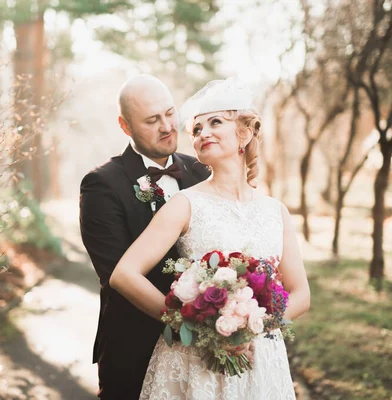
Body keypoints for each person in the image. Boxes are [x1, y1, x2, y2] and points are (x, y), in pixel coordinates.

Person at [109, 78, 311, 399]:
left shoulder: (277, 211)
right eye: (197, 129)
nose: (203, 133)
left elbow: (300, 293)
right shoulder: (185, 204)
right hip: (195, 364)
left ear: (244, 133)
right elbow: (124, 275)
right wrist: (189, 324)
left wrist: (253, 327)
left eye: (215, 122)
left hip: (260, 358)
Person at [79, 74, 211, 400]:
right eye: (152, 120)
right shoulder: (102, 185)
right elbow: (115, 275)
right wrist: (185, 325)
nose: (167, 126)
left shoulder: (202, 171)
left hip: (205, 353)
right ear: (126, 127)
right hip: (134, 349)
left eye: (170, 112)